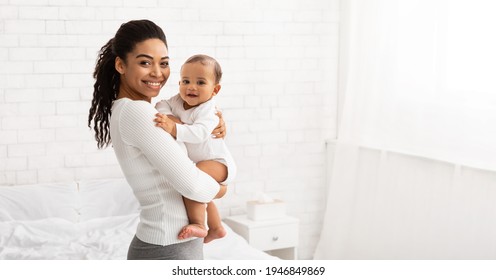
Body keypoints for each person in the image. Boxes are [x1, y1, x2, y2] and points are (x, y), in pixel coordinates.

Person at [87, 20, 227, 260]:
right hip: (167, 247)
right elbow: (193, 186)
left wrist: (210, 121)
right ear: (121, 65)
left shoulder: (139, 111)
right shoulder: (137, 113)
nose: (157, 73)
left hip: (170, 243)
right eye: (144, 63)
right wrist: (222, 188)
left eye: (163, 63)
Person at [154, 54, 236, 244]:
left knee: (192, 180)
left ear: (215, 90)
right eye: (186, 81)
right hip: (205, 162)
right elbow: (160, 104)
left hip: (219, 162)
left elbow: (198, 133)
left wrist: (174, 127)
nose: (191, 87)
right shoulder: (177, 101)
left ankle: (200, 224)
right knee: (202, 192)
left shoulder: (208, 110)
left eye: (200, 82)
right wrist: (170, 117)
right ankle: (216, 228)